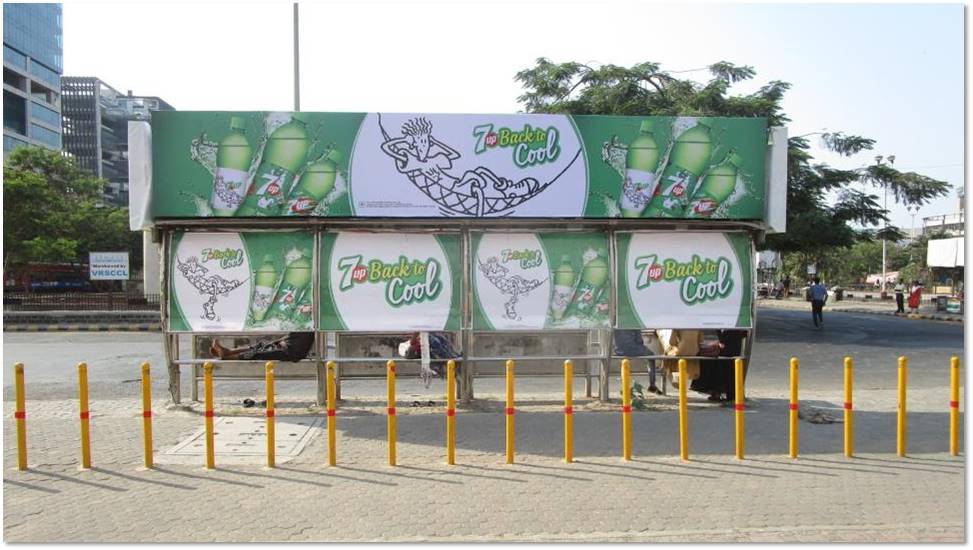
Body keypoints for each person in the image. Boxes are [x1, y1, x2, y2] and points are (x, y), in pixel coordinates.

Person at [691, 330, 748, 402]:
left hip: (728, 342)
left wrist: (721, 340)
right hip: (731, 341)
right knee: (727, 366)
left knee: (721, 364)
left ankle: (719, 392)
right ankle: (727, 393)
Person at [613, 329, 661, 395]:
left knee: (624, 363)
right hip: (633, 348)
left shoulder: (617, 321)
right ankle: (652, 385)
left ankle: (625, 387)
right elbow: (639, 340)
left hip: (618, 350)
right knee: (651, 356)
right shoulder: (634, 321)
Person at [209, 332, 315, 362]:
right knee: (261, 346)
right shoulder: (302, 324)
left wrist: (282, 343)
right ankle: (228, 351)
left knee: (258, 353)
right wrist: (279, 341)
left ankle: (226, 356)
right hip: (286, 348)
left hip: (291, 353)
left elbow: (299, 346)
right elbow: (290, 337)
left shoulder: (309, 326)